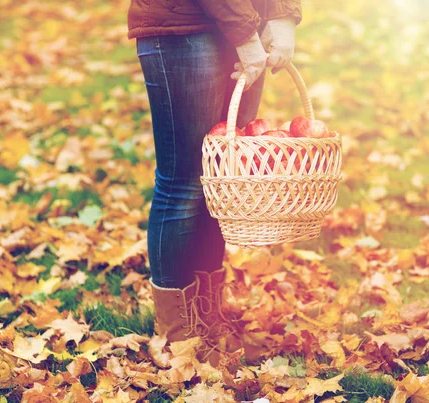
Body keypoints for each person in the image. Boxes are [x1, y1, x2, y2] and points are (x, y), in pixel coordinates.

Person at [127, 0, 301, 356]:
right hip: (184, 24)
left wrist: (282, 14)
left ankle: (207, 317)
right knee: (184, 180)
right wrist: (245, 32)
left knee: (219, 177)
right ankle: (176, 333)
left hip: (243, 22)